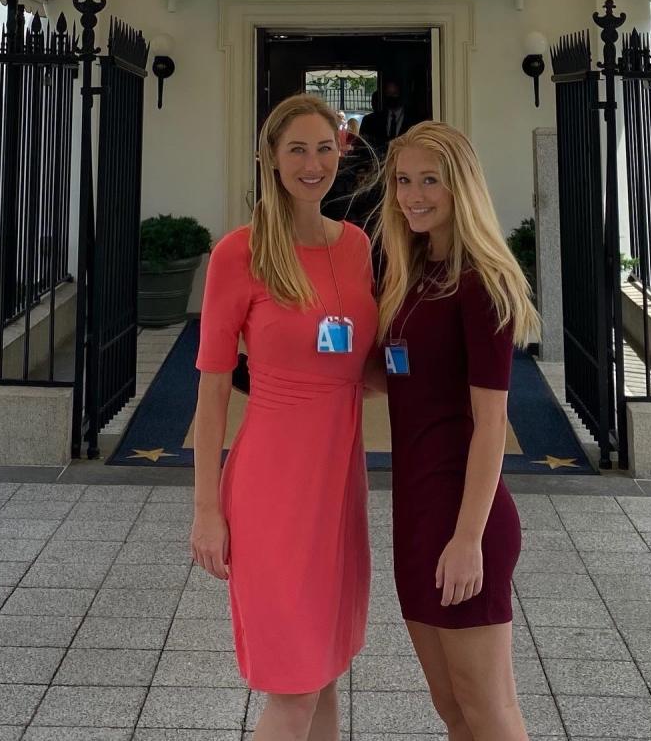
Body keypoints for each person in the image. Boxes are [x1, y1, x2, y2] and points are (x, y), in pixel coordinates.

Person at [191, 93, 378, 741]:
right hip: (272, 488)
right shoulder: (237, 254)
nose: (312, 162)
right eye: (297, 148)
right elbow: (212, 393)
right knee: (293, 688)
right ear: (271, 157)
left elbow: (360, 367)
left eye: (325, 147)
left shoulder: (355, 245)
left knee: (324, 670)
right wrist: (206, 511)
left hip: (338, 486)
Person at [376, 121, 540, 741]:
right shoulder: (414, 275)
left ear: (461, 188)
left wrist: (468, 537)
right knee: (453, 711)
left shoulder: (481, 284)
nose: (413, 195)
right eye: (403, 180)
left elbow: (492, 422)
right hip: (416, 513)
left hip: (463, 519)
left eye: (429, 181)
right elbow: (398, 378)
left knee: (489, 710)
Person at [359, 79, 417, 150]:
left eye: (395, 93)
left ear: (401, 95)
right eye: (388, 93)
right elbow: (362, 146)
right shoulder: (370, 120)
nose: (391, 97)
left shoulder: (414, 120)